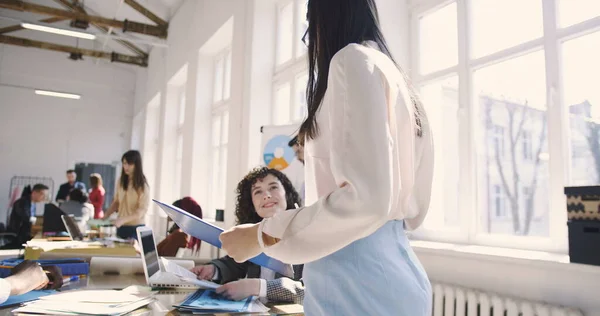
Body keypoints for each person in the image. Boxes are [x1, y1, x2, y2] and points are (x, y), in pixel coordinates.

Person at [219, 1, 435, 315]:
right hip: (392, 271)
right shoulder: (397, 77)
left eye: (310, 25)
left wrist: (260, 235)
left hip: (356, 283)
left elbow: (365, 200)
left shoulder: (352, 61)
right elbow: (403, 206)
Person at [191, 167, 304, 304]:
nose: (266, 195)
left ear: (286, 193)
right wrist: (213, 270)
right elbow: (237, 264)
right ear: (252, 204)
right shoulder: (253, 235)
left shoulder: (306, 233)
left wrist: (257, 287)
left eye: (273, 187)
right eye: (258, 192)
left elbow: (306, 290)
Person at [102, 150, 150, 239]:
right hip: (121, 227)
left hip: (136, 228)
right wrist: (105, 216)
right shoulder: (120, 181)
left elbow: (142, 210)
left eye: (129, 164)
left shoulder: (142, 185)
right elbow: (116, 202)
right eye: (124, 163)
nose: (126, 167)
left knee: (131, 252)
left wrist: (123, 220)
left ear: (137, 165)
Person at [5, 184, 49, 248]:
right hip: (19, 235)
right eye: (42, 194)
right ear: (34, 193)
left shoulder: (32, 203)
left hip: (27, 232)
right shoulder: (22, 202)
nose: (44, 197)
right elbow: (26, 217)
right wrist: (39, 221)